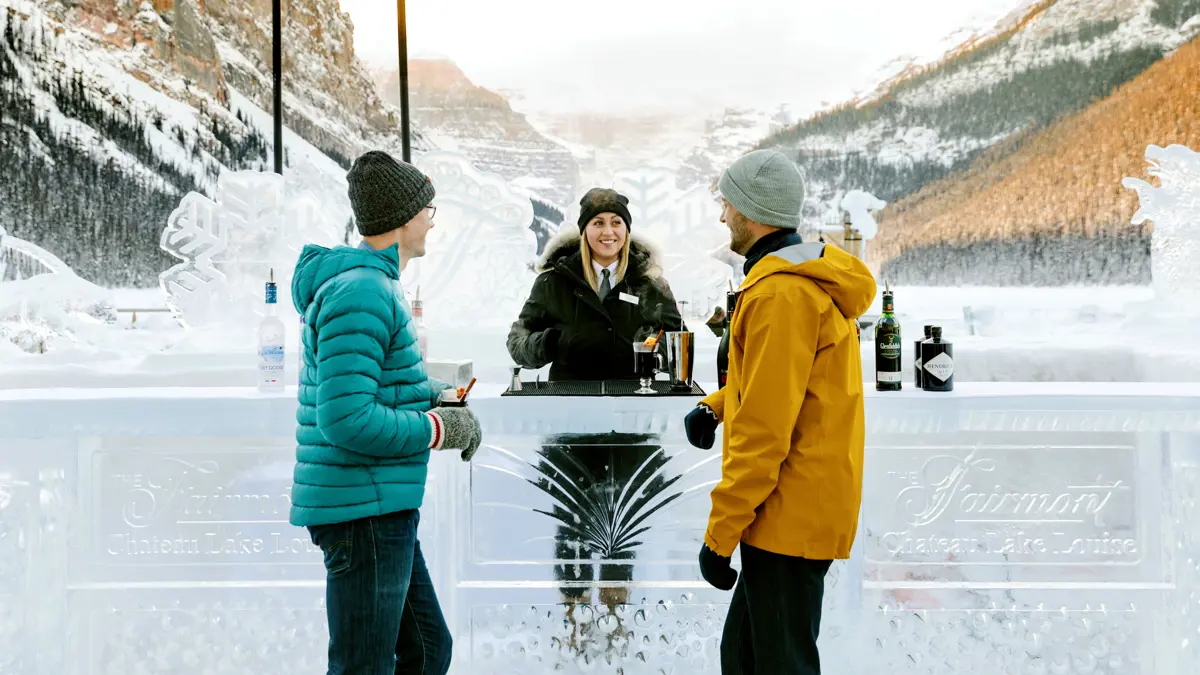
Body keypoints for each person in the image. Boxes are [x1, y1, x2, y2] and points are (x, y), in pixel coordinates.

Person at [682, 150, 876, 674]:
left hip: (788, 511)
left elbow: (765, 432)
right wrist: (716, 407)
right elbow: (782, 385)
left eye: (727, 204)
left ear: (751, 211)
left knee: (778, 664)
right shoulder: (793, 282)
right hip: (791, 508)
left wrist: (719, 536)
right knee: (744, 657)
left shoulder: (781, 296)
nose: (722, 215)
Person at [289, 150, 483, 675]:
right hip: (362, 513)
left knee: (427, 649)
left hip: (378, 507)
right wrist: (438, 429)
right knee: (364, 666)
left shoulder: (373, 285)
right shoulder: (363, 292)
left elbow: (380, 384)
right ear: (402, 219)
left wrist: (438, 395)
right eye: (427, 210)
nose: (432, 222)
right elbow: (346, 419)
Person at [506, 187, 685, 381]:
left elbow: (679, 341)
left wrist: (651, 351)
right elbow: (517, 342)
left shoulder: (651, 283)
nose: (608, 231)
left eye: (616, 222)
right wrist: (551, 342)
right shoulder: (552, 282)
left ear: (626, 229)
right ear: (585, 230)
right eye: (598, 223)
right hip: (568, 395)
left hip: (635, 395)